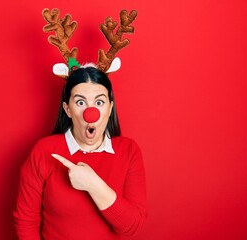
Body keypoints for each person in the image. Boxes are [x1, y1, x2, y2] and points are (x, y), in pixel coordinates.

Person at [13, 66, 147, 239]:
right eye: (80, 102)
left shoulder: (128, 151)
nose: (90, 114)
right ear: (68, 109)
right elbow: (26, 221)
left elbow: (131, 227)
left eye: (99, 102)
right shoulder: (44, 150)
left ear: (109, 108)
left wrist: (93, 184)